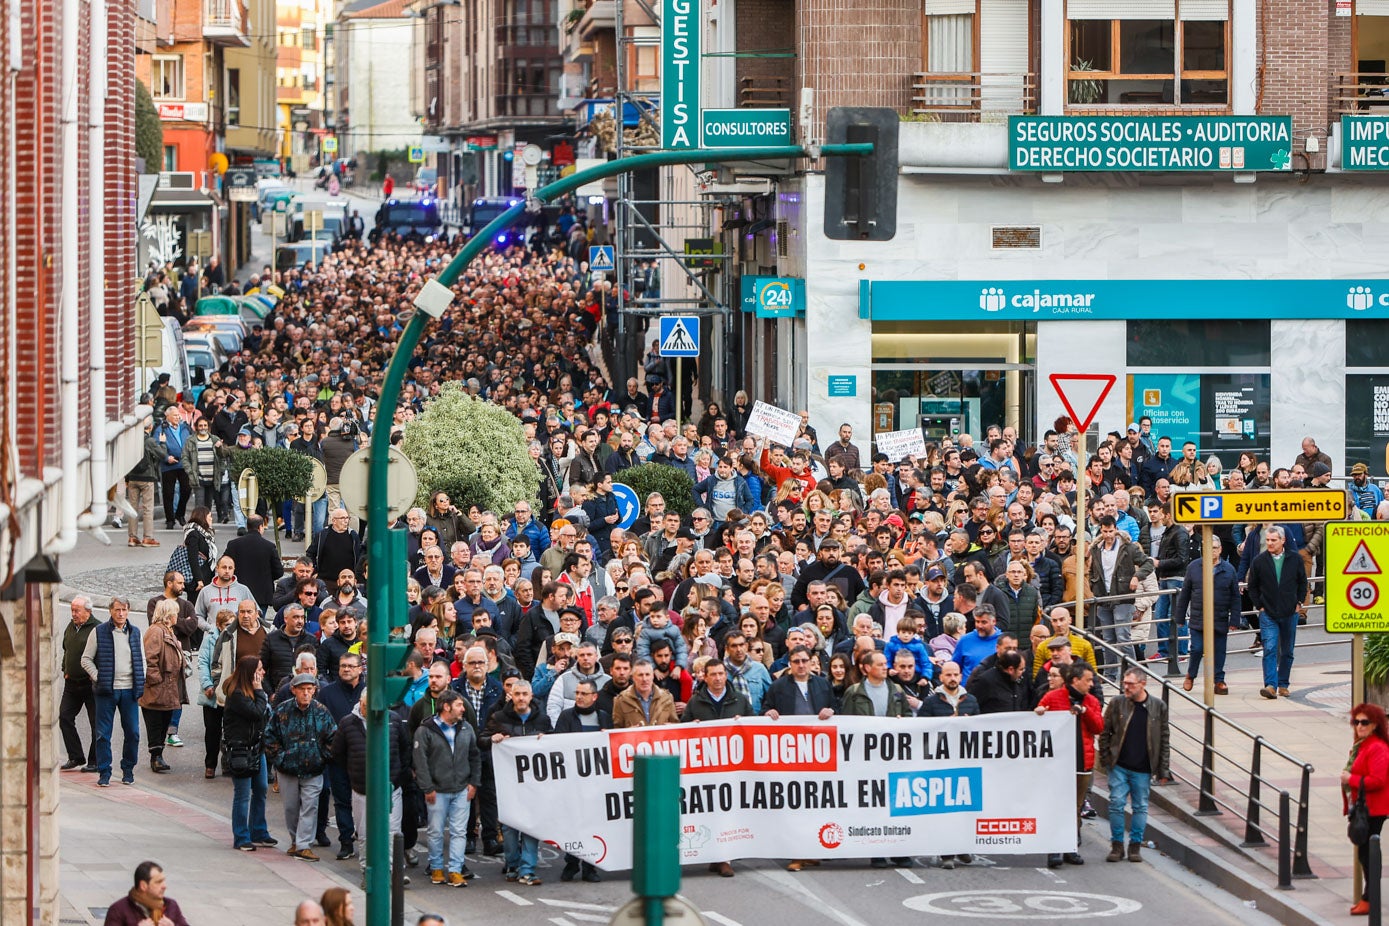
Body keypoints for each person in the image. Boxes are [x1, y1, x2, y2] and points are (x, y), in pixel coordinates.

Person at [1097, 668, 1170, 863]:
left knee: (1140, 807)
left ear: (1143, 684)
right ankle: (1117, 845)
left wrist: (1164, 769)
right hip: (1119, 764)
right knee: (1116, 804)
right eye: (1124, 683)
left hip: (1143, 767)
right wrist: (1105, 759)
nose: (1126, 687)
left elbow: (1164, 738)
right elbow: (1105, 732)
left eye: (1130, 684)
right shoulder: (1117, 703)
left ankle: (1135, 846)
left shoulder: (1158, 706)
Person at [1036, 662, 1103, 868]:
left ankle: (1070, 847)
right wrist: (1039, 712)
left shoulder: (1091, 701)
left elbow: (1098, 726)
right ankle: (1054, 849)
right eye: (1088, 680)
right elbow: (1038, 722)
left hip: (1082, 762)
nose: (1091, 684)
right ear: (1075, 680)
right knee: (1057, 805)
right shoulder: (1053, 697)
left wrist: (1084, 711)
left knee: (1075, 806)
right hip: (1056, 763)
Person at [265, 672, 338, 861]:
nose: (306, 693)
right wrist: (280, 759)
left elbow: (333, 739)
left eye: (309, 689)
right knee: (291, 808)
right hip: (288, 770)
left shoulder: (321, 711)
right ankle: (295, 841)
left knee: (310, 806)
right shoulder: (282, 711)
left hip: (314, 770)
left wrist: (322, 758)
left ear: (314, 690)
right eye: (302, 689)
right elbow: (270, 737)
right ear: (293, 690)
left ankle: (304, 844)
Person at [484, 680, 550, 885]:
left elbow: (554, 742)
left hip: (533, 784)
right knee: (510, 827)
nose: (521, 698)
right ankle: (512, 863)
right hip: (508, 783)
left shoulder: (542, 719)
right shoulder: (498, 718)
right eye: (517, 694)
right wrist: (491, 738)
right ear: (511, 695)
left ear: (531, 696)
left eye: (524, 694)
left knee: (531, 826)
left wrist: (546, 739)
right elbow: (482, 739)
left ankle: (527, 868)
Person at [414, 689, 481, 888]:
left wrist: (473, 783)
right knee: (435, 831)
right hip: (437, 790)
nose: (463, 709)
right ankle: (435, 867)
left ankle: (455, 870)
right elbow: (421, 761)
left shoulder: (466, 728)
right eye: (459, 705)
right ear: (446, 707)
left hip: (461, 788)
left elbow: (474, 756)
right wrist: (427, 788)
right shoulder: (425, 730)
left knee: (459, 831)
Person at [81, 597, 144, 787]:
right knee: (103, 734)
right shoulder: (98, 632)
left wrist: (142, 679)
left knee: (133, 732)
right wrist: (98, 676)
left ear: (129, 611)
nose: (121, 614)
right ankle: (105, 772)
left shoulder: (135, 632)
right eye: (117, 610)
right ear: (110, 611)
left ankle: (128, 769)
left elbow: (142, 660)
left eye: (124, 610)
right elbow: (86, 659)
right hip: (106, 691)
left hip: (129, 691)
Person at [1246, 525, 1309, 700]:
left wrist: (1299, 602)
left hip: (1290, 612)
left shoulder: (1294, 559)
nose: (1270, 543)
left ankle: (1283, 684)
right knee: (1270, 647)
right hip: (1268, 613)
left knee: (1287, 650)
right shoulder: (1259, 561)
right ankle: (1270, 685)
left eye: (1274, 540)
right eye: (1268, 540)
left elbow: (1302, 582)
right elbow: (1252, 586)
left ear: (1283, 541)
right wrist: (1259, 605)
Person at [222, 655, 277, 851]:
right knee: (243, 794)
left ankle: (259, 831)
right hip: (240, 751)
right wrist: (260, 691)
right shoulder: (237, 694)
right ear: (250, 673)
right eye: (260, 669)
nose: (263, 673)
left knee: (261, 788)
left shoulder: (252, 692)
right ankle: (241, 837)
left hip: (256, 748)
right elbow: (256, 713)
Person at [1174, 540, 1237, 695]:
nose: (1212, 551)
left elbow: (1235, 596)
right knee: (1197, 648)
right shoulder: (1194, 567)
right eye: (1208, 548)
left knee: (1219, 650)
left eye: (1214, 548)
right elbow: (1185, 593)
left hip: (1219, 617)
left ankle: (1219, 680)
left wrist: (1235, 619)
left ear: (1220, 549)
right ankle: (1191, 675)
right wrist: (1180, 617)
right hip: (1199, 617)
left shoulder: (1228, 569)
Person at [1343, 703, 1389, 916]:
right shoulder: (1362, 744)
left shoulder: (1377, 747)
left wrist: (1350, 778)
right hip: (1364, 806)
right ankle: (1368, 897)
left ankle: (1370, 898)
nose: (1359, 726)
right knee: (1365, 853)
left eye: (1364, 722)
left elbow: (1378, 780)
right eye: (1356, 722)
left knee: (1368, 853)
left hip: (1374, 808)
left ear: (1375, 725)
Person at [138, 599, 185, 775]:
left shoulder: (168, 631)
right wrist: (156, 680)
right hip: (158, 688)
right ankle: (155, 757)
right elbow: (149, 659)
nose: (177, 617)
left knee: (164, 721)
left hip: (168, 688)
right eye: (175, 613)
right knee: (155, 723)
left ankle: (158, 756)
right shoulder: (156, 631)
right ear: (168, 614)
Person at [60, 596, 98, 771]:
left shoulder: (97, 628)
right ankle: (76, 756)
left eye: (77, 611)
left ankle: (94, 761)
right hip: (71, 683)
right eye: (72, 610)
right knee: (64, 717)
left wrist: (95, 675)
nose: (73, 614)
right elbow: (66, 649)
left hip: (90, 685)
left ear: (88, 612)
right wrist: (65, 669)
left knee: (96, 723)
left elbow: (103, 655)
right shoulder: (71, 626)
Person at [225, 514, 285, 612]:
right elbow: (279, 571)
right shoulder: (269, 546)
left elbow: (224, 563)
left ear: (247, 526)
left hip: (238, 594)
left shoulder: (233, 545)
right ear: (260, 527)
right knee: (258, 624)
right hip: (261, 596)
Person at [102, 860, 190, 926]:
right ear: (143, 886)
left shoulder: (171, 905)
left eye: (163, 881)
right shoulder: (118, 910)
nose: (164, 886)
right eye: (158, 882)